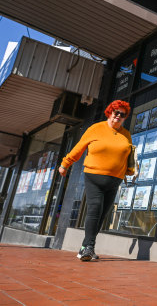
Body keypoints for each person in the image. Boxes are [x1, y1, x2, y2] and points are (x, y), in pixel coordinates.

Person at [58, 100, 133, 261]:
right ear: (109, 112)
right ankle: (89, 247)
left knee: (102, 214)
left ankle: (86, 247)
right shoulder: (96, 129)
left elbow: (128, 155)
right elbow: (79, 147)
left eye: (123, 114)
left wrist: (130, 169)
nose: (118, 116)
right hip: (94, 176)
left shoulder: (126, 134)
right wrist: (66, 163)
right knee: (95, 209)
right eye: (116, 113)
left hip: (115, 180)